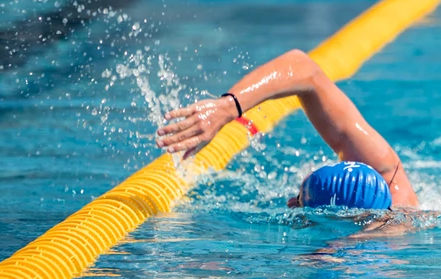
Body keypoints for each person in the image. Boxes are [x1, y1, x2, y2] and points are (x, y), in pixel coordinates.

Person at [155, 49, 419, 211]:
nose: (292, 203)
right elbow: (303, 68)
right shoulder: (387, 176)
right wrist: (228, 107)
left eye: (300, 201)